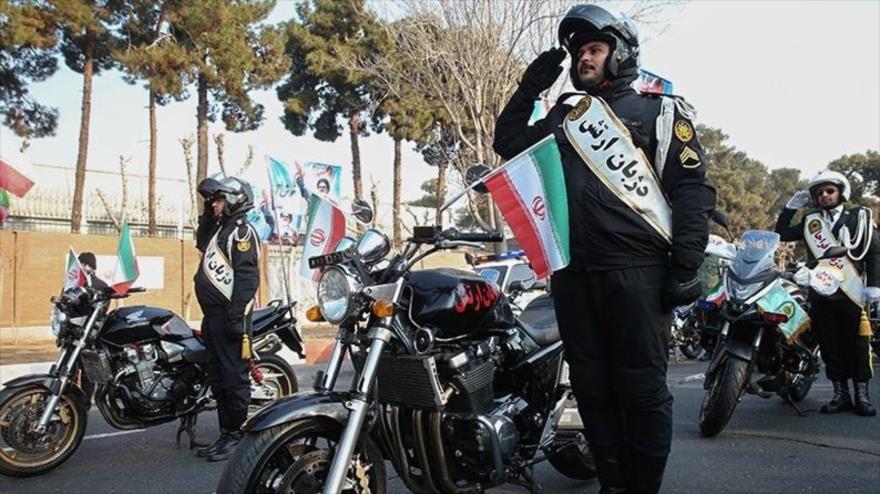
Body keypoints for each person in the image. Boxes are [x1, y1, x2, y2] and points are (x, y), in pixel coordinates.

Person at [493, 5, 716, 493]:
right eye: (578, 53)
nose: (584, 59)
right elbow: (507, 143)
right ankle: (613, 485)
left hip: (637, 274)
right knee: (592, 393)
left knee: (640, 392)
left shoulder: (660, 113)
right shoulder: (565, 116)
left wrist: (686, 263)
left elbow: (692, 191)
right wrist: (530, 87)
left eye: (594, 49)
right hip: (573, 275)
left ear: (622, 54)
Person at [776, 171, 878, 417]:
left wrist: (874, 285)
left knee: (857, 344)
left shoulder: (859, 217)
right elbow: (783, 232)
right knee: (830, 344)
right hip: (821, 292)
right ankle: (839, 394)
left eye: (829, 191)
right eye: (819, 193)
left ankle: (861, 395)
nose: (824, 195)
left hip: (851, 293)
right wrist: (790, 209)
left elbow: (874, 251)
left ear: (840, 192)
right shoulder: (811, 222)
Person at [193, 176, 261, 461]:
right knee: (218, 379)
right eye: (213, 202)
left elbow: (247, 278)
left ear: (233, 199)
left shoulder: (242, 233)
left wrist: (235, 317)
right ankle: (225, 433)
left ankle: (236, 436)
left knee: (234, 379)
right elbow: (200, 241)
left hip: (229, 318)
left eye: (218, 200)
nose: (215, 205)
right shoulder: (220, 230)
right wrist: (208, 214)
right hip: (212, 319)